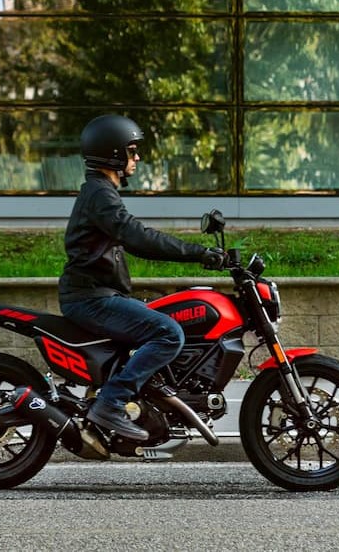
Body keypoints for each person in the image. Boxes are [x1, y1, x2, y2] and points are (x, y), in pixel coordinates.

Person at [59, 114, 224, 441]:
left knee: (160, 319)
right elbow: (138, 237)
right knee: (168, 333)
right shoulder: (100, 195)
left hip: (100, 294)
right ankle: (110, 405)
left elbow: (136, 242)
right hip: (92, 298)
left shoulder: (100, 192)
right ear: (113, 154)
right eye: (131, 151)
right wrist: (198, 253)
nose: (137, 158)